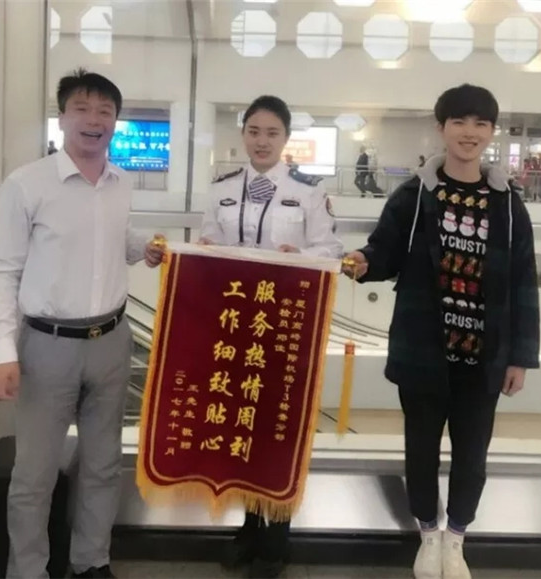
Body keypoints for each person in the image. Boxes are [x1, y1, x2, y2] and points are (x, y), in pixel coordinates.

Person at [343, 84, 539, 579]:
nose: (469, 132)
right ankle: (428, 535)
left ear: (491, 132)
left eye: (480, 123)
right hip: (423, 351)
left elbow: (522, 283)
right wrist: (362, 262)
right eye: (459, 121)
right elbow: (384, 251)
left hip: (484, 356)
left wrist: (519, 356)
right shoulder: (415, 196)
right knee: (421, 451)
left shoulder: (508, 206)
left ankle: (456, 540)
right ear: (441, 128)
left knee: (472, 458)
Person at [0, 68, 165, 579]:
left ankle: (91, 562)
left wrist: (144, 248)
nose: (94, 120)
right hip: (47, 345)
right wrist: (1, 351)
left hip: (111, 340)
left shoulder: (120, 182)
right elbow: (2, 270)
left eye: (105, 111)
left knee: (103, 465)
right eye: (82, 108)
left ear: (115, 122)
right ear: (62, 117)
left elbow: (115, 238)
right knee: (34, 475)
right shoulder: (26, 184)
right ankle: (28, 571)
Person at [200, 95, 342, 579]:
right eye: (254, 132)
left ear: (286, 139)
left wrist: (299, 258)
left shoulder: (308, 192)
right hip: (236, 328)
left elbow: (330, 249)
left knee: (278, 431)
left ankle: (276, 538)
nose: (262, 142)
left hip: (284, 329)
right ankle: (248, 528)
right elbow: (208, 244)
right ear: (243, 135)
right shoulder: (221, 190)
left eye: (272, 133)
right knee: (239, 428)